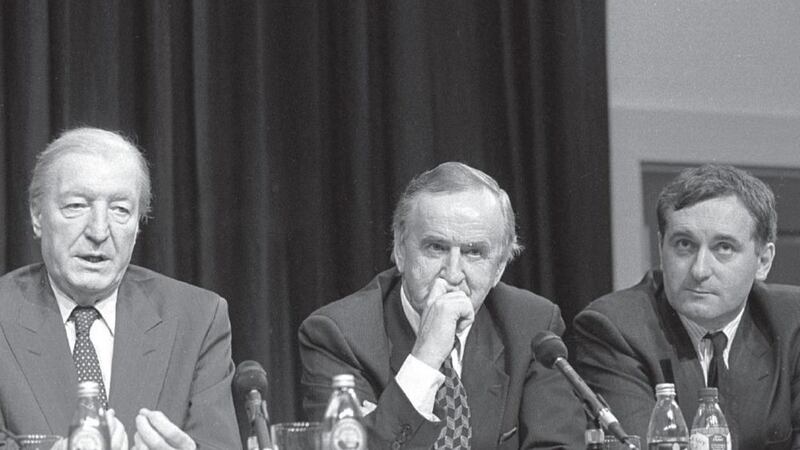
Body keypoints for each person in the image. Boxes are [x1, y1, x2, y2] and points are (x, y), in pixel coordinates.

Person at [299, 162, 585, 449]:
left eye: (474, 252)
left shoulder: (532, 326)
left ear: (499, 267)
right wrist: (425, 356)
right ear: (400, 250)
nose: (453, 272)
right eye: (436, 248)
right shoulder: (338, 334)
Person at [0, 128, 240, 449]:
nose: (99, 231)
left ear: (138, 225)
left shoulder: (197, 318)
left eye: (120, 210)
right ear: (37, 215)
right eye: (77, 205)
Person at [573, 164, 800, 449]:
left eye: (724, 247)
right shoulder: (615, 328)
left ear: (763, 261)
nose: (700, 269)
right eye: (684, 244)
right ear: (660, 247)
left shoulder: (792, 324)